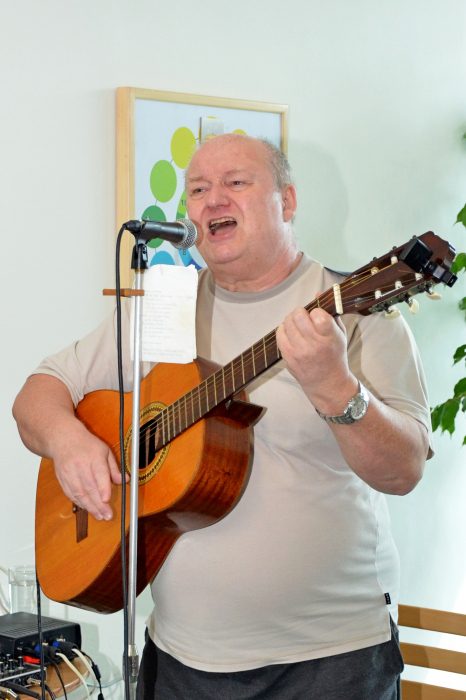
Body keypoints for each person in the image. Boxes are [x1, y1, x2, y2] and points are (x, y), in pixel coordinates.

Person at [13, 134, 431, 699]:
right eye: (198, 189)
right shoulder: (162, 311)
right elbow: (37, 394)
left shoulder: (355, 313)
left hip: (329, 662)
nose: (213, 200)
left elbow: (403, 471)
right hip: (179, 659)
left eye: (236, 182)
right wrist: (69, 441)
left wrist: (335, 388)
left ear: (287, 201)